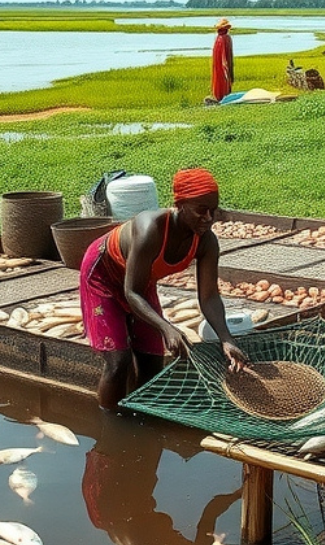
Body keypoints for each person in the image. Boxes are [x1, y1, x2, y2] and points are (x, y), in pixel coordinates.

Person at [79, 167, 249, 411]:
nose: (209, 218)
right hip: (103, 276)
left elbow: (209, 296)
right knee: (118, 361)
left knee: (151, 359)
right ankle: (113, 430)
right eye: (201, 210)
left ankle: (141, 417)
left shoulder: (206, 242)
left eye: (214, 210)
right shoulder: (151, 229)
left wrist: (226, 339)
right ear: (180, 204)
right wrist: (167, 327)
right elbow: (131, 293)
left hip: (140, 281)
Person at [209, 18, 234, 103]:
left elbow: (225, 53)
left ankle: (221, 95)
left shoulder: (222, 38)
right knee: (221, 76)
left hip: (221, 63)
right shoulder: (223, 38)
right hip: (220, 63)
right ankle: (222, 95)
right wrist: (225, 64)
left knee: (221, 76)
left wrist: (225, 64)